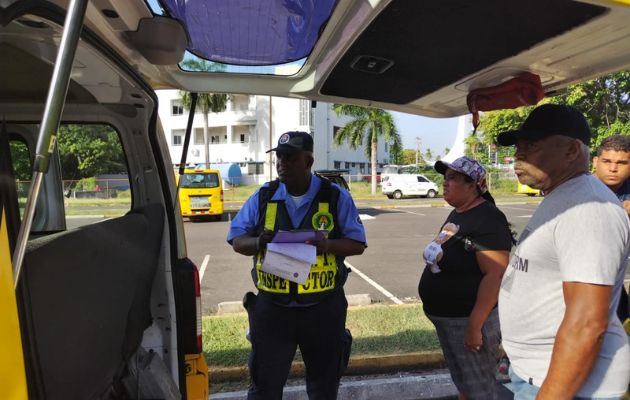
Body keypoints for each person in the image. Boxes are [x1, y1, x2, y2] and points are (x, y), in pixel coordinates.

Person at [496, 104, 630, 399]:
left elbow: (586, 323)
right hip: (539, 374)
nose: (518, 154)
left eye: (531, 145)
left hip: (567, 387)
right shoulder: (564, 195)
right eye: (519, 146)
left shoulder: (588, 209)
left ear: (571, 151)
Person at [227, 131, 366, 399]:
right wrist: (258, 243)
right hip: (273, 311)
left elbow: (357, 244)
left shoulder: (335, 197)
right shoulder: (263, 197)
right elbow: (237, 240)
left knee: (323, 388)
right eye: (279, 156)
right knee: (264, 389)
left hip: (323, 309)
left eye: (290, 157)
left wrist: (327, 245)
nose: (282, 163)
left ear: (308, 161)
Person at [418, 156, 513, 400]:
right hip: (450, 320)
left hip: (468, 321)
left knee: (479, 389)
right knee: (465, 386)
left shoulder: (488, 218)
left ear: (473, 185)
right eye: (445, 178)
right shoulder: (459, 213)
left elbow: (495, 274)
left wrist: (474, 327)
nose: (445, 183)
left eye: (453, 178)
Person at [593, 134, 630, 328]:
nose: (613, 168)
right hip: (586, 275)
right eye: (607, 161)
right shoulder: (580, 188)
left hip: (617, 276)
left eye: (621, 162)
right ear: (595, 161)